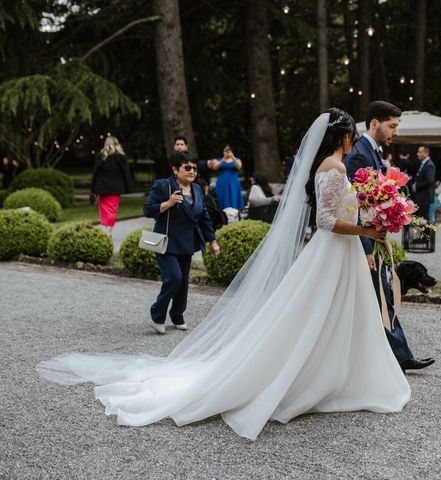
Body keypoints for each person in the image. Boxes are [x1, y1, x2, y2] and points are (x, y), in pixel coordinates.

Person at [37, 108, 410, 441]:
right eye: (351, 135)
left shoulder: (330, 168)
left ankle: (337, 376)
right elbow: (326, 221)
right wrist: (366, 230)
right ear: (344, 137)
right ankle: (315, 378)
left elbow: (336, 213)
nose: (353, 140)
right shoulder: (335, 167)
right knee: (313, 316)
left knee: (335, 315)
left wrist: (371, 222)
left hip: (341, 255)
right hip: (333, 253)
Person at [344, 100, 435, 372]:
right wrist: (366, 247)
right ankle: (399, 355)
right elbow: (354, 206)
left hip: (375, 237)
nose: (395, 131)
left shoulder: (373, 152)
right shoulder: (359, 154)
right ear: (375, 124)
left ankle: (392, 355)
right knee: (380, 294)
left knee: (376, 296)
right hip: (364, 241)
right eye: (392, 125)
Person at [144, 151, 219, 334]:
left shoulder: (198, 189)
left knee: (183, 282)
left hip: (187, 243)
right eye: (187, 167)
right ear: (175, 170)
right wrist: (168, 203)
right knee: (174, 278)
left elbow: (204, 217)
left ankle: (177, 315)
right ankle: (157, 315)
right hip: (166, 242)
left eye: (194, 167)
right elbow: (148, 210)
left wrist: (212, 241)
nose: (192, 170)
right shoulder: (163, 186)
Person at [90, 136, 134, 236]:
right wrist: (128, 187)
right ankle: (108, 231)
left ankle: (105, 229)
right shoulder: (121, 158)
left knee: (104, 210)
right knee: (112, 209)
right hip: (115, 188)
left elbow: (95, 173)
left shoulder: (100, 156)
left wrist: (93, 188)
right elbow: (126, 174)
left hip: (101, 188)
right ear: (117, 144)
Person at [212, 145, 244, 210]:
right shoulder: (218, 160)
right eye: (225, 150)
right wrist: (223, 158)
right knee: (223, 197)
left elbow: (239, 166)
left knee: (234, 196)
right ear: (223, 151)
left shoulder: (237, 159)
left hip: (233, 182)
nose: (227, 152)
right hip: (222, 182)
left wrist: (232, 157)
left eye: (229, 150)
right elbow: (215, 167)